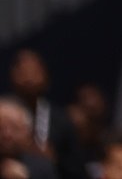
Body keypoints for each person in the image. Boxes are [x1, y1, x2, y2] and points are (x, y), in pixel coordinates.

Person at [7, 51, 82, 179]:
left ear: (46, 76)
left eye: (34, 72)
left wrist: (55, 158)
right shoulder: (3, 114)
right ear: (12, 75)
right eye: (23, 72)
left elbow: (77, 168)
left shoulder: (61, 119)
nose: (29, 78)